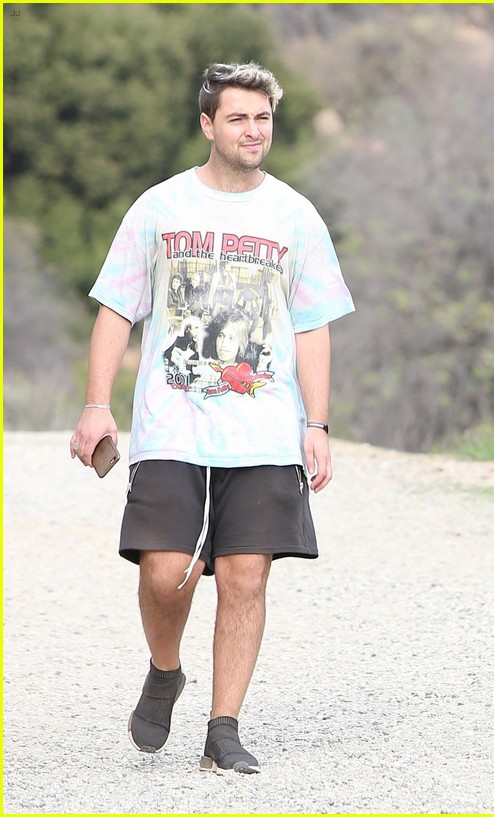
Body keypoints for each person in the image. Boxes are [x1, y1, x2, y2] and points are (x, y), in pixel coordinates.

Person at [69, 62, 354, 775]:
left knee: (246, 576)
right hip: (172, 424)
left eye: (262, 118)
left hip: (262, 429)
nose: (253, 131)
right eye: (238, 118)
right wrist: (97, 405)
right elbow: (115, 308)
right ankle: (166, 669)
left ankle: (223, 726)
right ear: (207, 124)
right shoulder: (160, 207)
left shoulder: (295, 215)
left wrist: (316, 423)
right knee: (167, 573)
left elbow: (314, 325)